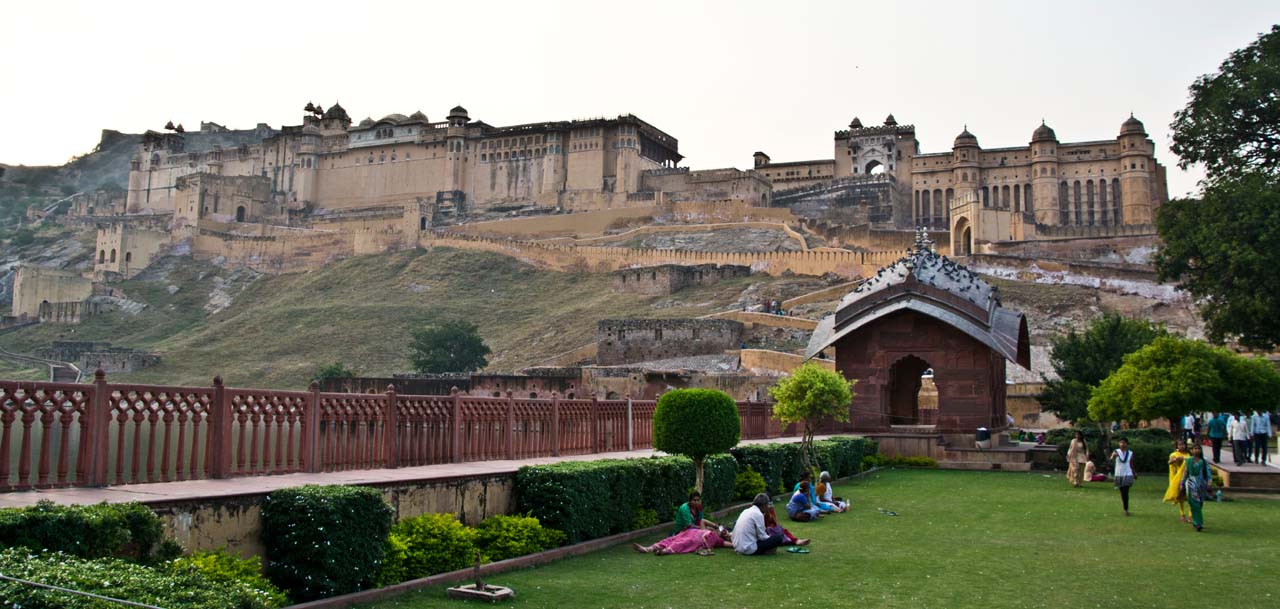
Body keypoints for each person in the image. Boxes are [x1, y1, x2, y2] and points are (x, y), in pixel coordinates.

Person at [1181, 444, 1211, 531]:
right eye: (1195, 448)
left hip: (1201, 484)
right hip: (1191, 484)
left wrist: (1209, 482)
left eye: (1198, 449)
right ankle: (1198, 523)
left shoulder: (1204, 461)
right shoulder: (1189, 460)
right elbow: (1185, 472)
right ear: (1192, 450)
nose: (1197, 450)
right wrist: (1182, 483)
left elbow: (1208, 472)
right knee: (1194, 503)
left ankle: (1196, 520)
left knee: (1200, 503)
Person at [1163, 439, 1192, 523]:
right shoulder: (1174, 454)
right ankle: (1182, 514)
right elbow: (1170, 462)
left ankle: (1191, 515)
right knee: (1181, 496)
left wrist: (1184, 458)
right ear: (1177, 446)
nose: (1181, 446)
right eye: (1179, 445)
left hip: (1189, 477)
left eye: (1183, 444)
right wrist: (1176, 459)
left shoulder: (1189, 454)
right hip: (1180, 478)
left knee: (1190, 496)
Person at [1110, 437, 1136, 516]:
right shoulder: (1116, 451)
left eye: (1124, 442)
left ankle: (1126, 509)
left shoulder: (1130, 453)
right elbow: (1111, 459)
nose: (1122, 444)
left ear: (1127, 444)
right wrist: (1113, 456)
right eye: (1120, 442)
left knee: (1125, 491)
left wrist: (1134, 473)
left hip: (1127, 473)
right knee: (1122, 492)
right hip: (1119, 474)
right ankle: (1125, 507)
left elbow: (1131, 464)